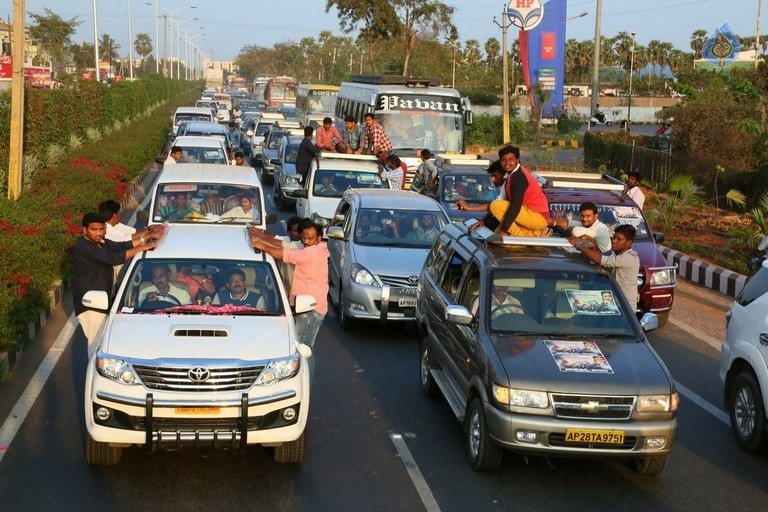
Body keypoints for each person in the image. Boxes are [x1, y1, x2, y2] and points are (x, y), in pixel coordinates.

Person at [249, 220, 330, 380]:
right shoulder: (312, 248)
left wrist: (260, 243)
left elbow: (284, 254)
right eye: (304, 238)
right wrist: (260, 238)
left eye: (310, 238)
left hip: (310, 309)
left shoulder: (312, 253)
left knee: (302, 351)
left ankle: (304, 384)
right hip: (301, 306)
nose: (305, 242)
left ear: (319, 238)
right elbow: (283, 246)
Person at [72, 212, 162, 355]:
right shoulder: (85, 246)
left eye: (101, 229)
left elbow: (122, 246)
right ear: (84, 230)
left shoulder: (101, 242)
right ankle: (92, 375)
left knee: (106, 343)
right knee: (97, 347)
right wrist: (142, 248)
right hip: (92, 304)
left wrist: (147, 237)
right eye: (93, 230)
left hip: (105, 302)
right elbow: (113, 258)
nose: (98, 233)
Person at [471, 146, 550, 237]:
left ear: (517, 160)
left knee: (496, 206)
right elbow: (502, 202)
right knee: (496, 232)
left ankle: (519, 238)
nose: (507, 163)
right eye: (504, 160)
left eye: (510, 159)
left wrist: (504, 230)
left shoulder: (520, 177)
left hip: (537, 217)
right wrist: (483, 221)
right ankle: (533, 233)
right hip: (528, 215)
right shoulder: (510, 178)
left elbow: (514, 206)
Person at [569, 224, 640, 308]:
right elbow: (597, 256)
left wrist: (578, 244)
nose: (614, 241)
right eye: (614, 237)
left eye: (619, 239)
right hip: (610, 302)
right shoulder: (613, 253)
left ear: (629, 243)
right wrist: (591, 242)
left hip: (625, 306)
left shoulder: (629, 258)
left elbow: (600, 260)